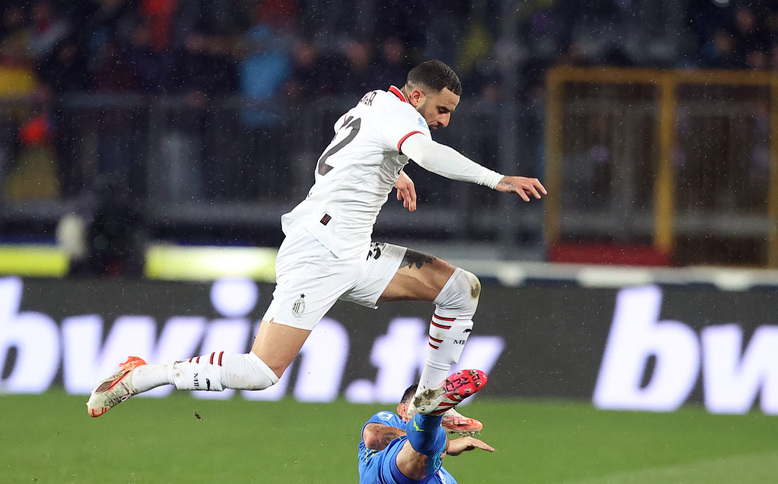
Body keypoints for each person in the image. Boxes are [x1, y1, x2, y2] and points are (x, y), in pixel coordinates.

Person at [86, 59, 545, 417]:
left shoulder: (373, 104)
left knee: (460, 289)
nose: (444, 120)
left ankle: (428, 399)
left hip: (351, 250)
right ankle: (142, 376)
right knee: (262, 372)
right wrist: (495, 179)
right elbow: (425, 153)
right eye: (441, 109)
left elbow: (334, 159)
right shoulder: (401, 116)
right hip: (320, 252)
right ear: (417, 95)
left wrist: (392, 172)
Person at [359, 379, 566, 484]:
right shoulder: (390, 419)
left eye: (442, 413)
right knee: (432, 439)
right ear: (403, 410)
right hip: (383, 479)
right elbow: (372, 438)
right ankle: (427, 418)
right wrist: (445, 444)